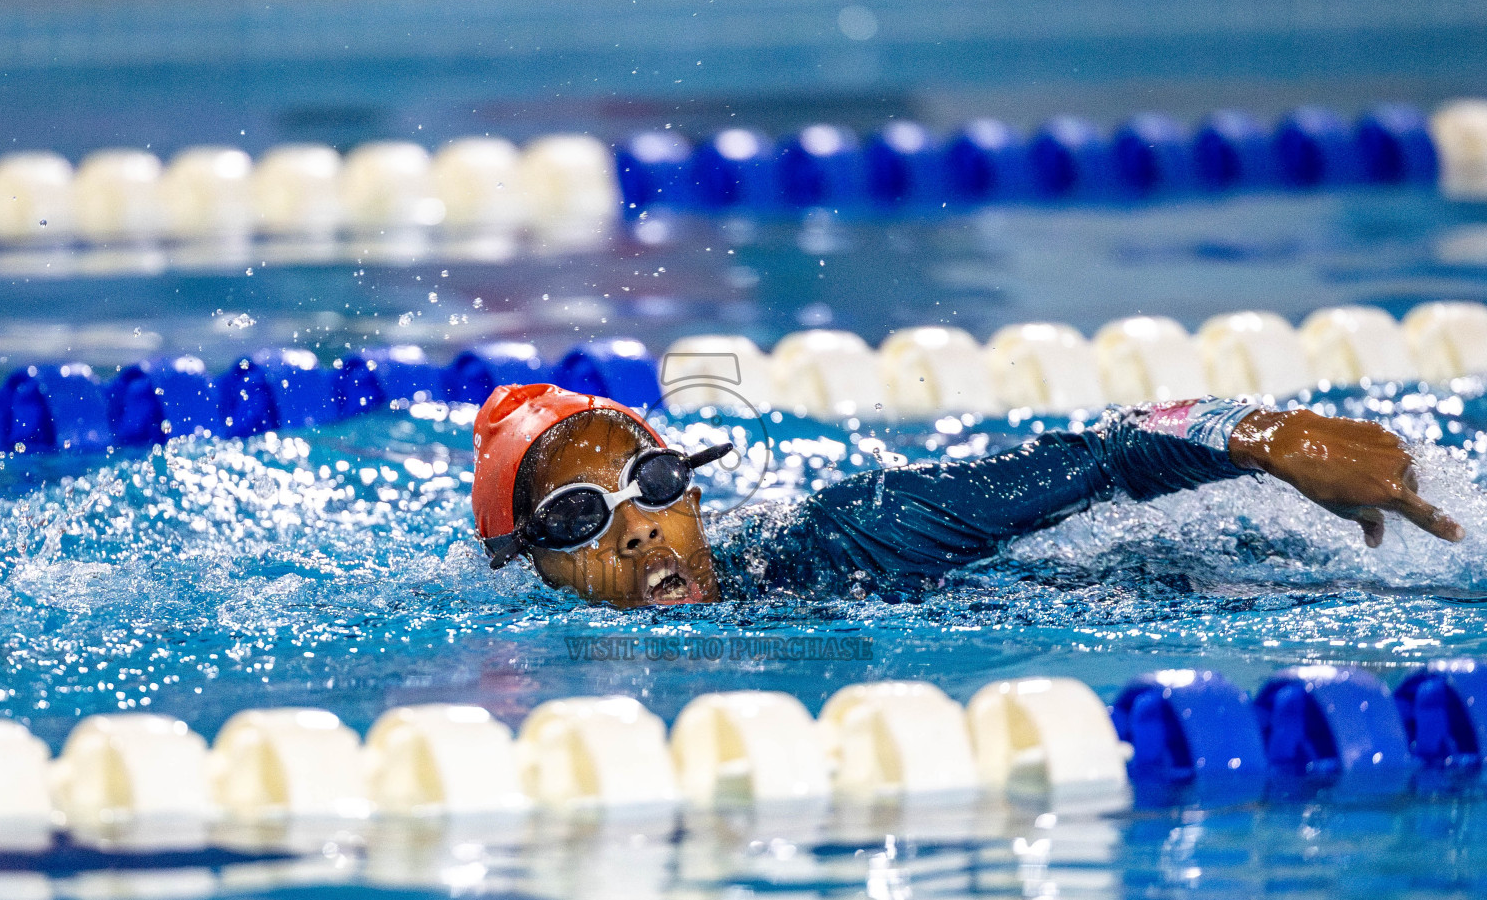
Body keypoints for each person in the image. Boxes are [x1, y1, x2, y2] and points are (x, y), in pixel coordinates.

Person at [471, 382, 1464, 609]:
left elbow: (1105, 455)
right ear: (535, 567)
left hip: (1171, 586)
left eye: (651, 481)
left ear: (690, 485)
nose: (638, 529)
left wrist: (1269, 437)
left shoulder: (854, 537)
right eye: (575, 518)